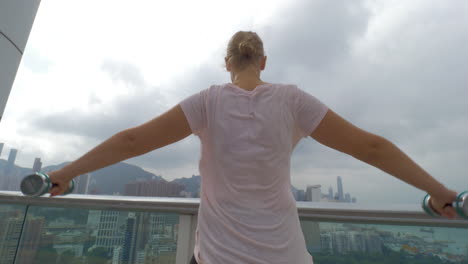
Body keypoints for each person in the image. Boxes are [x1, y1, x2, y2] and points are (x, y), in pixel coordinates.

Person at [48, 31, 458, 264]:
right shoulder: (293, 100)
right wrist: (442, 193)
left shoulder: (206, 101)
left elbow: (131, 139)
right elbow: (371, 147)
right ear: (263, 61)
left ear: (227, 62)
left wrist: (63, 174)